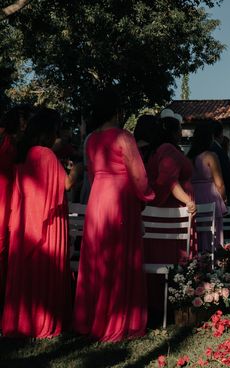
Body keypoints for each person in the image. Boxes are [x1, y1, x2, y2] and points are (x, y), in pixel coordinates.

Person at [73, 90, 155, 341]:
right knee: (120, 257)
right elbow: (139, 176)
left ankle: (91, 318)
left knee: (97, 256)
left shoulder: (91, 139)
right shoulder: (123, 137)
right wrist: (148, 196)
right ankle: (117, 320)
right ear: (116, 112)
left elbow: (89, 173)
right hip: (120, 199)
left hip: (98, 197)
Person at [2, 109, 71, 338]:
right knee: (44, 269)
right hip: (48, 222)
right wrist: (78, 170)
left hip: (24, 221)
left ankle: (19, 321)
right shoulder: (46, 155)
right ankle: (43, 321)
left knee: (25, 274)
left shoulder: (24, 154)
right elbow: (66, 184)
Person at [145, 114, 197, 262]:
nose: (181, 133)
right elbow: (169, 180)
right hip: (174, 209)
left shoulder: (161, 149)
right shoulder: (167, 149)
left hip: (175, 207)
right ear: (172, 132)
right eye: (179, 130)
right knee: (172, 253)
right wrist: (188, 201)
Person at [0, 104, 31, 312]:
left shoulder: (15, 142)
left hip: (9, 194)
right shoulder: (5, 140)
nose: (25, 125)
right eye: (23, 120)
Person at [187, 121, 227, 251]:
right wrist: (224, 199)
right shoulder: (210, 156)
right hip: (211, 197)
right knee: (213, 233)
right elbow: (219, 183)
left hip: (193, 197)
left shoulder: (188, 158)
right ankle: (212, 262)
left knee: (196, 233)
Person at [210, 120, 230, 205]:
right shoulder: (219, 152)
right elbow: (226, 175)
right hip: (220, 195)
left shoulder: (203, 150)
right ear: (220, 134)